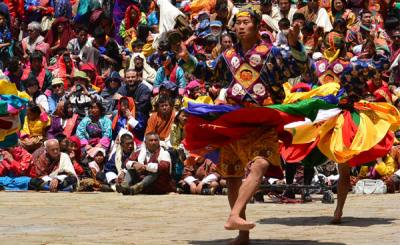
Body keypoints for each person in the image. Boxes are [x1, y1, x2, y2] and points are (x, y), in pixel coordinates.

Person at [184, 7, 307, 244]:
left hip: (262, 120)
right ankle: (243, 233)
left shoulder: (270, 53)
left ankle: (233, 216)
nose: (241, 26)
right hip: (235, 121)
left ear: (258, 25)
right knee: (232, 175)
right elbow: (207, 72)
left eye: (246, 22)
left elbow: (296, 68)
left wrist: (295, 45)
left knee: (260, 163)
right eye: (238, 22)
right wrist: (185, 57)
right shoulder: (228, 56)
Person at [117, 69, 152, 140]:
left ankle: (139, 139)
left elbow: (143, 105)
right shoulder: (122, 89)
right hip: (124, 114)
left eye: (133, 77)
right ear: (125, 78)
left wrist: (129, 108)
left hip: (139, 114)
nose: (130, 79)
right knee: (115, 114)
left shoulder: (144, 89)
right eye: (128, 77)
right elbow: (117, 100)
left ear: (138, 77)